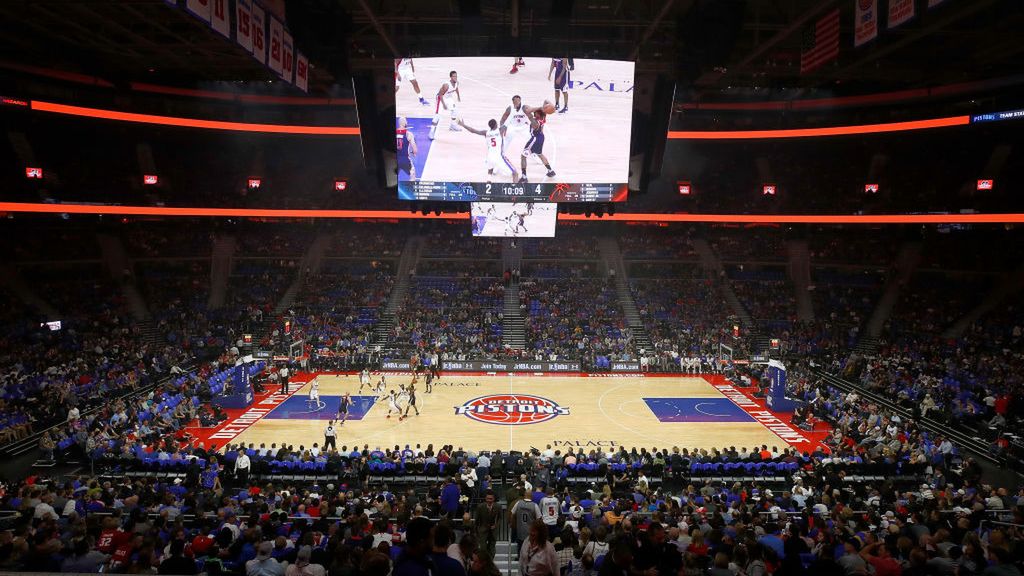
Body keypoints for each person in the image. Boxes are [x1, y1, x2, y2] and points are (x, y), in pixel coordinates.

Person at [519, 109, 555, 183]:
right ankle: (550, 171)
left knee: (523, 156)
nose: (534, 113)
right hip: (541, 137)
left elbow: (528, 114)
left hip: (535, 139)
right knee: (539, 154)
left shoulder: (535, 121)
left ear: (538, 114)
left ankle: (524, 177)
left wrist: (528, 110)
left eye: (535, 112)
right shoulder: (543, 118)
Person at [430, 70, 461, 140]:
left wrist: (458, 96)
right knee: (438, 115)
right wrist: (443, 104)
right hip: (440, 98)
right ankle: (431, 132)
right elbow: (440, 94)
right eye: (454, 76)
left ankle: (453, 125)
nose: (455, 77)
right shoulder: (446, 85)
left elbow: (456, 89)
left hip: (448, 97)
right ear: (450, 77)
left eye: (456, 76)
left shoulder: (457, 83)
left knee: (455, 110)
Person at [475, 490, 501, 559]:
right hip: (483, 530)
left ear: (494, 499)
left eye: (491, 499)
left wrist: (496, 525)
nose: (489, 500)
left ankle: (490, 562)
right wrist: (476, 532)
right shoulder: (480, 507)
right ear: (485, 499)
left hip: (493, 531)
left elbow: (500, 518)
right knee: (483, 548)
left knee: (492, 549)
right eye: (488, 499)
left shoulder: (498, 507)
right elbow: (477, 520)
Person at [397, 116, 419, 181]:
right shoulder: (408, 134)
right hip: (405, 159)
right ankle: (410, 189)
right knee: (412, 173)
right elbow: (415, 150)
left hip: (394, 159)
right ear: (405, 123)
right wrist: (413, 153)